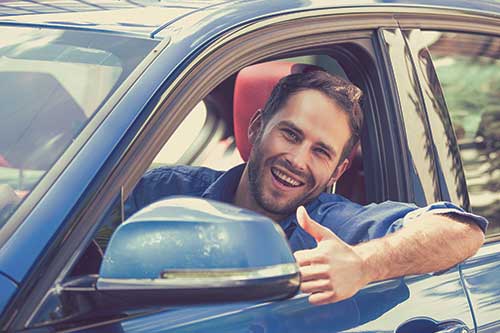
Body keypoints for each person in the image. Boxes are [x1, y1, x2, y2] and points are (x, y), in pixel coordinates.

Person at [126, 71, 487, 306]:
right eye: (291, 134)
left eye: (321, 151)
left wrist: (362, 264)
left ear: (338, 169)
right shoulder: (163, 192)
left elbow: (462, 232)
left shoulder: (334, 226)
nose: (298, 160)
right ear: (257, 127)